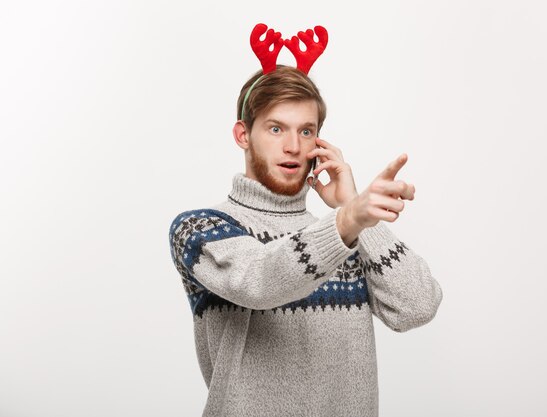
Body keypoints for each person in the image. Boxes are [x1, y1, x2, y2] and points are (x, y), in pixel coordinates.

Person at [168, 24, 443, 417]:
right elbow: (260, 280)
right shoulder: (200, 229)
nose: (293, 146)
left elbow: (417, 306)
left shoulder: (345, 230)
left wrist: (353, 210)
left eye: (306, 131)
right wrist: (347, 221)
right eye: (276, 128)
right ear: (243, 135)